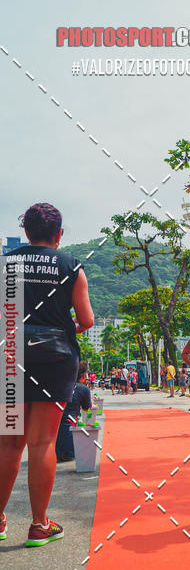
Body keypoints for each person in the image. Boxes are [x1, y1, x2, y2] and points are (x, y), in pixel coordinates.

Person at [0, 203, 94, 546]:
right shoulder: (71, 266)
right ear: (59, 234)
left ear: (26, 232)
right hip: (56, 358)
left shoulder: (6, 263)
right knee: (42, 442)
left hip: (11, 356)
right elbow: (87, 320)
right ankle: (40, 524)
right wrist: (65, 329)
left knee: (9, 442)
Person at [55, 361, 92, 462]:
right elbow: (87, 408)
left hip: (51, 433)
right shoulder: (83, 389)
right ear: (84, 376)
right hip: (68, 435)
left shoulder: (59, 385)